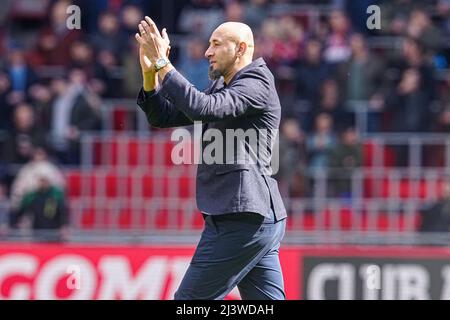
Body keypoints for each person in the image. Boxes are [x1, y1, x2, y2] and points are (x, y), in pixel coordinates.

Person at [135, 17, 287, 300]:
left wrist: (162, 63)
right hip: (257, 218)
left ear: (240, 49)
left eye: (216, 44)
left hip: (240, 218)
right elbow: (162, 116)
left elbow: (200, 107)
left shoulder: (257, 82)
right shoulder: (227, 86)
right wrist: (149, 73)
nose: (208, 52)